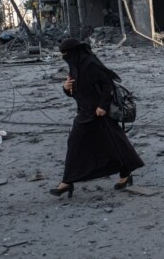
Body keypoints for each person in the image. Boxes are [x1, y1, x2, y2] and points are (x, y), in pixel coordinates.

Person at [50, 38, 144, 197]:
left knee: (113, 143)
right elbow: (76, 89)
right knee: (80, 142)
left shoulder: (90, 63)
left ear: (74, 52)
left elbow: (108, 83)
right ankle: (67, 181)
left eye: (66, 53)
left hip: (99, 113)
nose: (64, 57)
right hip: (85, 112)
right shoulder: (75, 65)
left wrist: (103, 106)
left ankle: (68, 182)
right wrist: (66, 88)